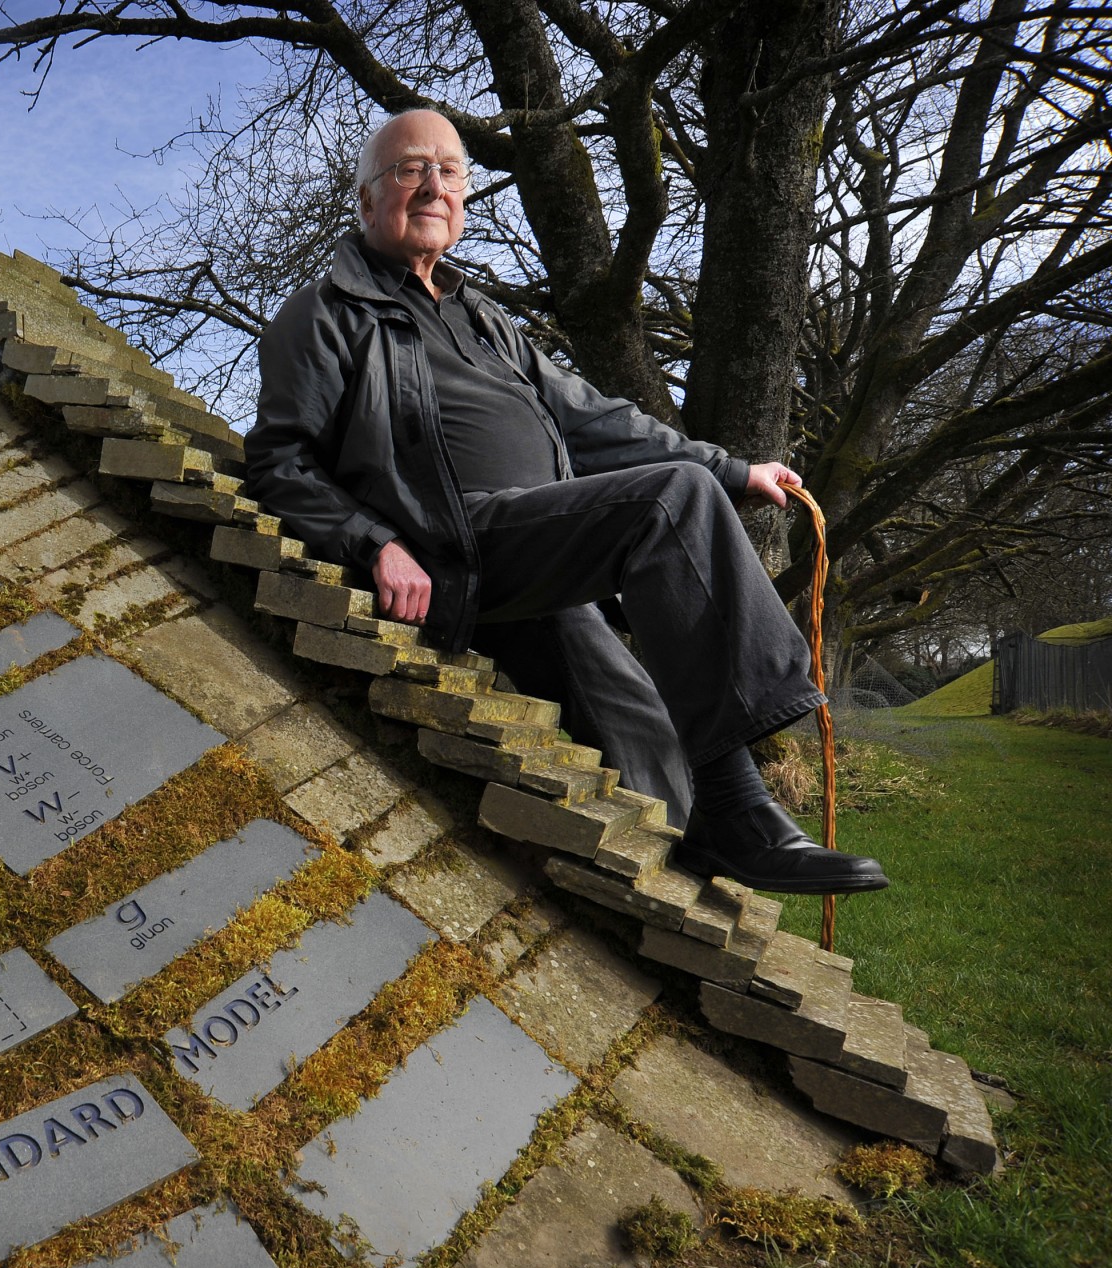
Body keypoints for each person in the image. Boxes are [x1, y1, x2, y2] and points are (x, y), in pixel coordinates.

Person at [243, 108, 887, 895]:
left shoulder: (485, 321)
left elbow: (595, 419)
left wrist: (731, 469)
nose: (434, 185)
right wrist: (372, 541)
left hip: (543, 554)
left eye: (451, 171)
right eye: (411, 169)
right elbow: (280, 459)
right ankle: (744, 811)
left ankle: (692, 898)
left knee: (649, 742)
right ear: (367, 199)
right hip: (457, 547)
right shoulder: (325, 314)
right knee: (670, 503)